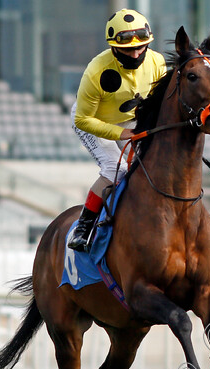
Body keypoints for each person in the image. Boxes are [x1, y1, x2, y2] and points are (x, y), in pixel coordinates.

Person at [67, 8, 168, 251]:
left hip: (131, 120)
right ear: (113, 47)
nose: (135, 53)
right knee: (116, 168)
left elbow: (159, 103)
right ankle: (84, 227)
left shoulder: (157, 62)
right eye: (127, 49)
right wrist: (122, 134)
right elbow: (83, 119)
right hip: (94, 121)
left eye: (141, 47)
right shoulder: (95, 71)